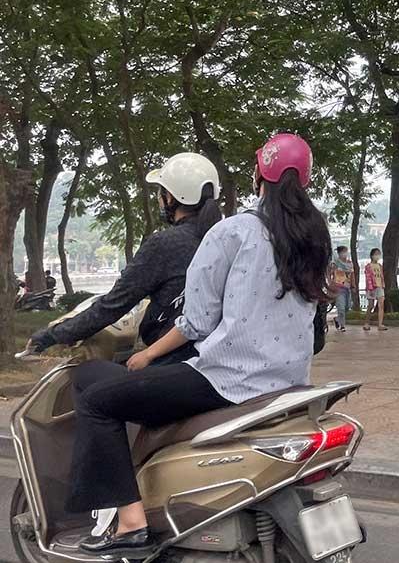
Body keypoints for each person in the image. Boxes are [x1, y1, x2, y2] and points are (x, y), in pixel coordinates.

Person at [63, 133, 331, 556]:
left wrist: (148, 354)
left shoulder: (234, 231)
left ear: (258, 174)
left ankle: (129, 523)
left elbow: (198, 322)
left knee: (97, 401)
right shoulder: (315, 237)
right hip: (289, 385)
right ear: (307, 180)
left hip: (227, 381)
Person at [27, 153, 222, 364]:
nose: (158, 199)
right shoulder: (223, 239)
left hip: (175, 361)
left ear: (171, 198)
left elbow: (114, 304)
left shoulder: (165, 244)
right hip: (217, 358)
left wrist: (51, 335)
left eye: (161, 192)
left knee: (88, 378)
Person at [363, 247, 387, 331]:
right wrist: (370, 289)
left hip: (380, 286)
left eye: (379, 254)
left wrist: (383, 285)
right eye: (376, 254)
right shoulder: (368, 266)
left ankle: (380, 324)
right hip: (372, 288)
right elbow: (368, 278)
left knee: (381, 305)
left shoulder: (380, 266)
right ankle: (366, 323)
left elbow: (381, 276)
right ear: (372, 255)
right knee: (371, 305)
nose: (377, 256)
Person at [331, 245, 353, 332]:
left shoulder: (349, 263)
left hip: (347, 287)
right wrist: (331, 283)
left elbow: (352, 274)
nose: (345, 253)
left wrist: (353, 285)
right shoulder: (336, 263)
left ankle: (337, 319)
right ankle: (342, 326)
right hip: (338, 288)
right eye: (343, 252)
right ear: (339, 253)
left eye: (346, 251)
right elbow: (330, 272)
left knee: (347, 307)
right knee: (341, 308)